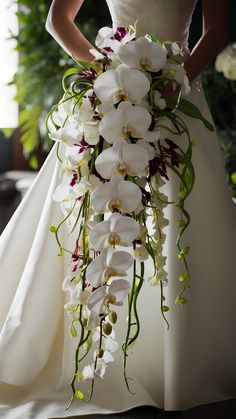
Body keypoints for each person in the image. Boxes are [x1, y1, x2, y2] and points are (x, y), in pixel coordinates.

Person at [0, 0, 236, 418]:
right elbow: (58, 20)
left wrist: (174, 82)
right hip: (115, 94)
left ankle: (181, 362)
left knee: (181, 219)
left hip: (179, 98)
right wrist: (111, 72)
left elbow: (215, 28)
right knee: (90, 214)